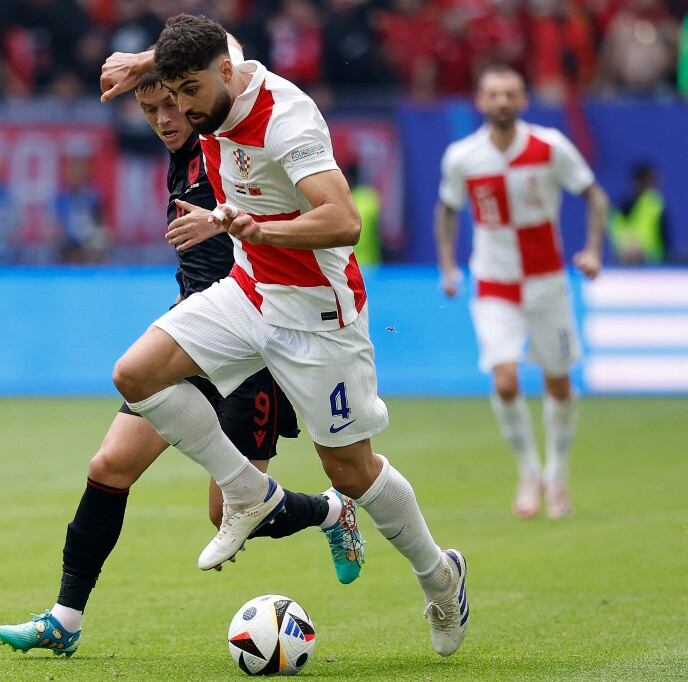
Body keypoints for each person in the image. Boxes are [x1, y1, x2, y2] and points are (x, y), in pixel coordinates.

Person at [97, 14, 468, 657]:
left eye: (189, 92)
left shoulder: (286, 120)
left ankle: (440, 576)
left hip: (319, 315)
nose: (181, 109)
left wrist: (259, 230)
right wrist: (141, 61)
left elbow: (343, 220)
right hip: (248, 293)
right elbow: (202, 39)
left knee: (351, 472)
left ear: (223, 74)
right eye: (170, 91)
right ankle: (246, 491)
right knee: (135, 373)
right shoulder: (218, 62)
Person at [0, 54, 366, 657]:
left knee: (226, 511)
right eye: (151, 111)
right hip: (194, 338)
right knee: (110, 465)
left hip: (256, 341)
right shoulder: (179, 152)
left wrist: (225, 225)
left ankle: (331, 512)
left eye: (172, 103)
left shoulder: (229, 131)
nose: (166, 119)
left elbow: (228, 58)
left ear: (200, 89)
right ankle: (65, 618)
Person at [434, 64, 610, 520]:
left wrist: (592, 250)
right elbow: (448, 210)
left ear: (524, 99)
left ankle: (557, 475)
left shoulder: (550, 147)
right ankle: (529, 473)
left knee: (558, 381)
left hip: (548, 282)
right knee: (506, 380)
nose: (502, 102)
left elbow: (595, 196)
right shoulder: (462, 156)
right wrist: (449, 266)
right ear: (480, 101)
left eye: (510, 94)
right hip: (494, 284)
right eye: (493, 94)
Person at [609, 162, 668, 265]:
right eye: (651, 180)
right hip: (623, 267)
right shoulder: (620, 209)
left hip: (654, 269)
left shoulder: (655, 205)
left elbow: (666, 242)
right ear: (640, 181)